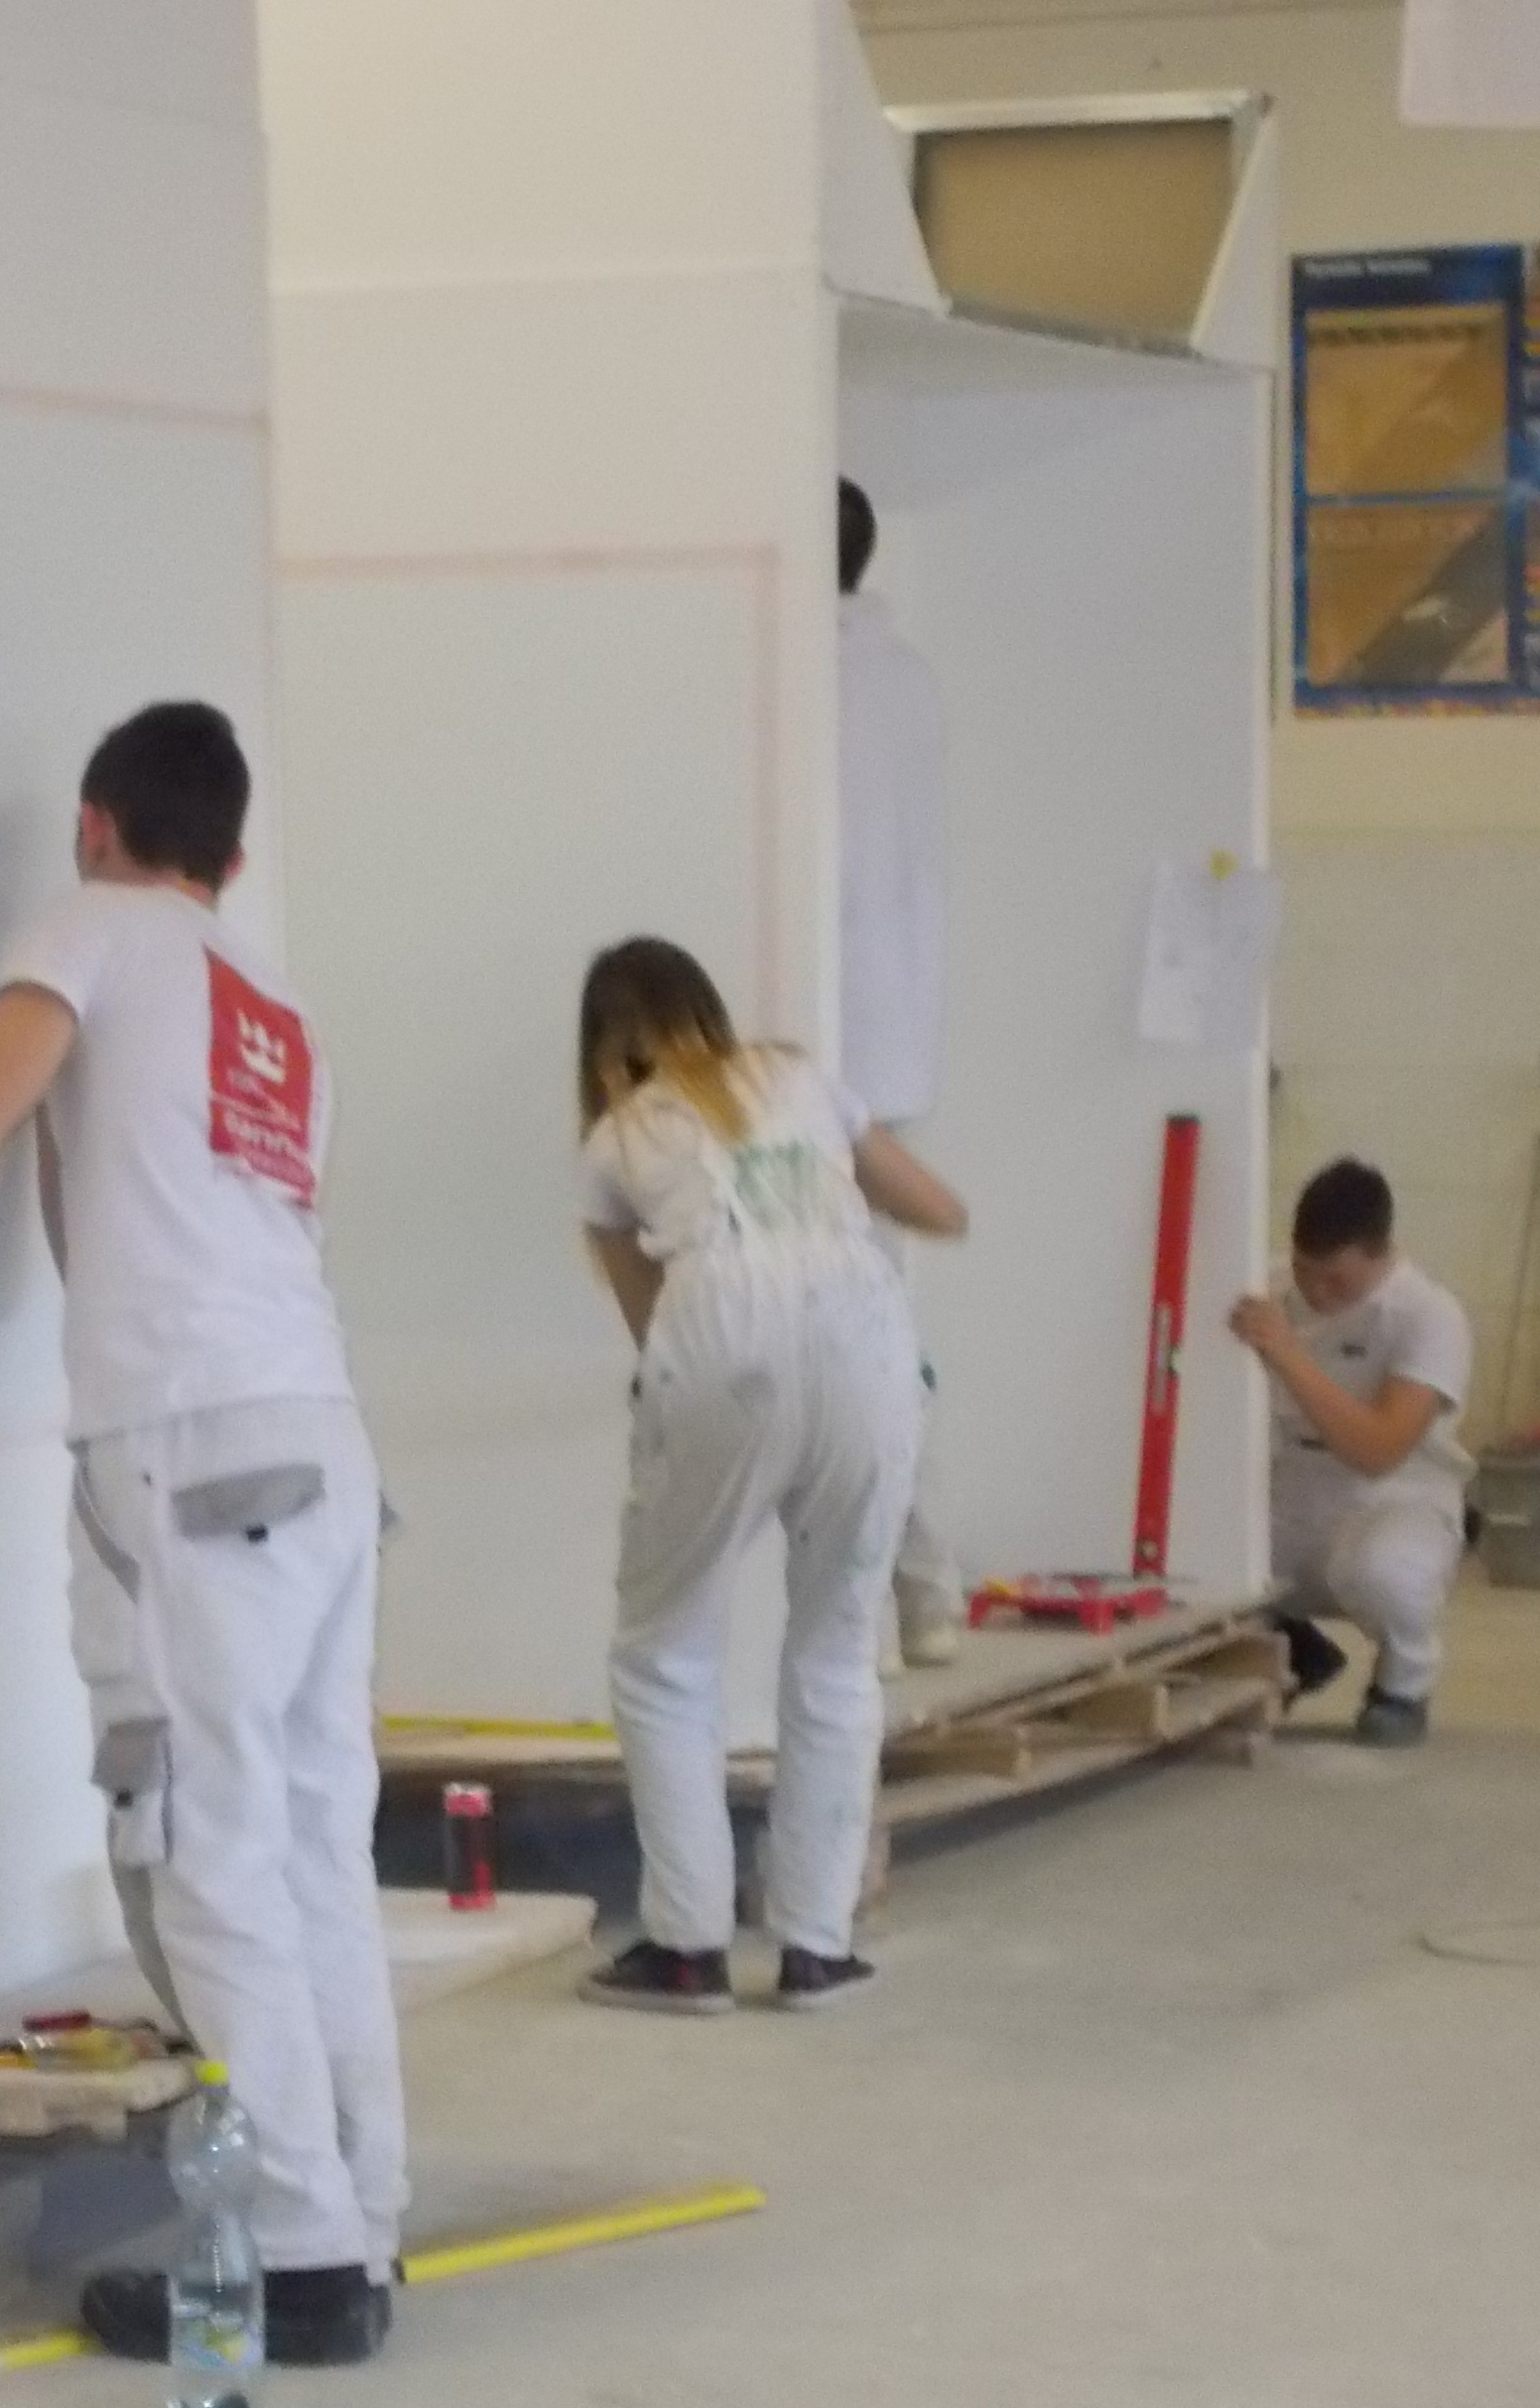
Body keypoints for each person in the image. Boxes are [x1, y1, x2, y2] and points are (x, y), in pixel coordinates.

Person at [0, 701, 402, 2368]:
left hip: (190, 1456)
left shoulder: (87, 925)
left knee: (208, 1856)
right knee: (313, 1847)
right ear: (231, 857)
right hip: (314, 1441)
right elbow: (104, 1220)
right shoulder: (272, 1003)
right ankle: (362, 2213)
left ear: (93, 826)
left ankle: (296, 2258)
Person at [572, 940, 967, 2019]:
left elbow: (651, 1323)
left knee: (663, 1653)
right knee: (837, 1648)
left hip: (722, 1347)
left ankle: (688, 1948)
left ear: (601, 1047)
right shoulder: (798, 1076)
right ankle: (816, 1947)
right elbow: (940, 1209)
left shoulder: (614, 1140)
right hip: (868, 1343)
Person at [835, 474, 968, 1675]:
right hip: (886, 1054)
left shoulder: (814, 674)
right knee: (871, 1330)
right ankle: (917, 1592)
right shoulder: (908, 676)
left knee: (847, 1347)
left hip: (823, 1069)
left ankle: (893, 1596)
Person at [1231, 1158, 1475, 1748]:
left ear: (1380, 1253)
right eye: (1304, 1272)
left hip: (1396, 1497)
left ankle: (1403, 1684)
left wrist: (1288, 1355)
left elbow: (1378, 1450)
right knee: (1201, 1559)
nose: (1316, 1293)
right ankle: (1293, 1653)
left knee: (1383, 1572)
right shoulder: (1270, 1292)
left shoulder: (1428, 1316)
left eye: (1336, 1281)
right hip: (1292, 1486)